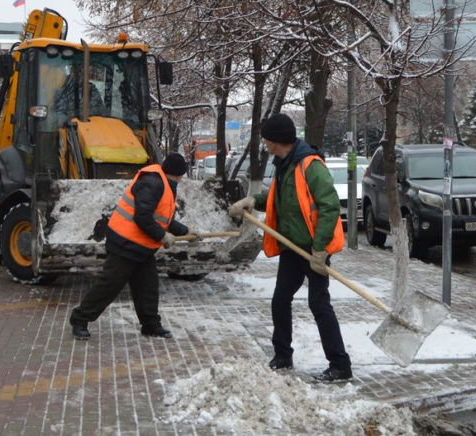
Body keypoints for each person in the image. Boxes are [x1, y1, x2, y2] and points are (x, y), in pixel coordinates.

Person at [229, 113, 352, 383]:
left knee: (319, 304)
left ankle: (340, 365)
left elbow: (330, 207)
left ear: (276, 141)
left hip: (312, 248)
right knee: (280, 300)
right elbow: (279, 200)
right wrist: (253, 200)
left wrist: (320, 250)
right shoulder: (285, 164)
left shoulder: (310, 165)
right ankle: (283, 355)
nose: (264, 143)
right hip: (291, 247)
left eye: (266, 139)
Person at [69, 153, 198, 340]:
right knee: (110, 285)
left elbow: (163, 219)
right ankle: (79, 319)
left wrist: (186, 232)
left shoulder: (165, 185)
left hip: (142, 246)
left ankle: (150, 326)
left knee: (148, 286)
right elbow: (143, 217)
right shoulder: (153, 183)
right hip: (125, 242)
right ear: (178, 174)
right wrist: (162, 236)